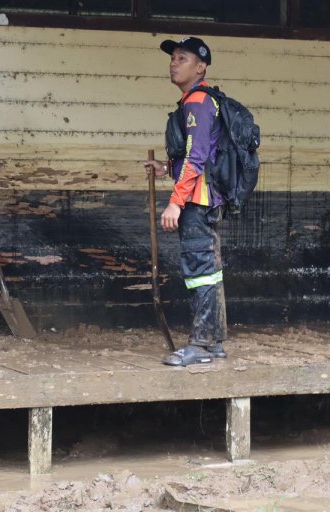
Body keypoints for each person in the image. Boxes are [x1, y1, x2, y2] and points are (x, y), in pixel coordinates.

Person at [144, 37, 227, 367]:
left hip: (197, 201)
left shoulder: (198, 102)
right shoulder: (195, 101)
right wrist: (166, 168)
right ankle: (214, 342)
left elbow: (196, 156)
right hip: (202, 198)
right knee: (209, 271)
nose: (174, 63)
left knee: (200, 272)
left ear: (201, 67)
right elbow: (197, 155)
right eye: (173, 58)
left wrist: (176, 202)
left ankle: (201, 345)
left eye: (182, 58)